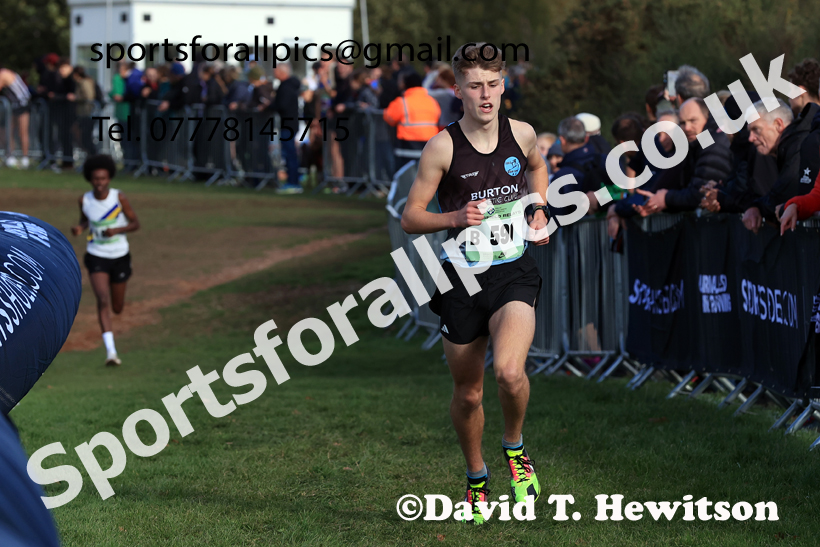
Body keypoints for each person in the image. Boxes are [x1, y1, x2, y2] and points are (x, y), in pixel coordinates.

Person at [400, 42, 549, 525]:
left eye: (492, 84)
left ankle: (515, 448)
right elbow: (410, 217)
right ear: (458, 90)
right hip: (461, 278)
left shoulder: (522, 134)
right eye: (474, 86)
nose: (484, 95)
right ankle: (476, 476)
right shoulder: (442, 146)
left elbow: (538, 168)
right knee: (468, 393)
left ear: (504, 83)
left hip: (513, 272)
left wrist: (539, 207)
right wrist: (453, 217)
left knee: (509, 372)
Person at [71, 155, 140, 366]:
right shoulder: (85, 200)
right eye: (95, 179)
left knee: (117, 307)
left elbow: (135, 223)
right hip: (96, 255)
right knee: (102, 299)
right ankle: (111, 352)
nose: (99, 183)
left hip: (119, 255)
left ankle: (112, 341)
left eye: (103, 178)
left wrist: (117, 230)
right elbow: (86, 218)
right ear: (90, 179)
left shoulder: (119, 198)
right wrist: (80, 228)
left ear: (109, 178)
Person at [635, 98, 731, 214]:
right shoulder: (693, 146)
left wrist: (666, 198)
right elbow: (664, 187)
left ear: (707, 118)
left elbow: (699, 194)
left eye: (693, 121)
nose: (687, 128)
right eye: (683, 123)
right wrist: (652, 201)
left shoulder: (712, 145)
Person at [739, 99, 820, 233]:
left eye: (756, 129)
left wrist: (757, 207)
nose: (751, 138)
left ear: (778, 124)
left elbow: (787, 189)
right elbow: (815, 195)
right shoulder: (786, 148)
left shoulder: (800, 145)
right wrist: (795, 205)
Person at [383, 72, 441, 169]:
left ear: (406, 85)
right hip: (429, 145)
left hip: (407, 147)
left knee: (405, 178)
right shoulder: (432, 101)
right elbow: (437, 117)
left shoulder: (402, 102)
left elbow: (389, 117)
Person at [271, 61, 303, 193]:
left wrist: (270, 106)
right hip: (290, 123)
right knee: (289, 153)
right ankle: (293, 181)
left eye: (276, 70)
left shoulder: (285, 87)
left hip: (288, 124)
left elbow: (281, 105)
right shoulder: (290, 85)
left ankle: (293, 182)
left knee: (289, 154)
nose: (274, 73)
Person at [0, 67, 32, 168]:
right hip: (14, 106)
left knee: (22, 132)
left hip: (22, 105)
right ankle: (10, 157)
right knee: (8, 131)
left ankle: (25, 158)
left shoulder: (3, 74)